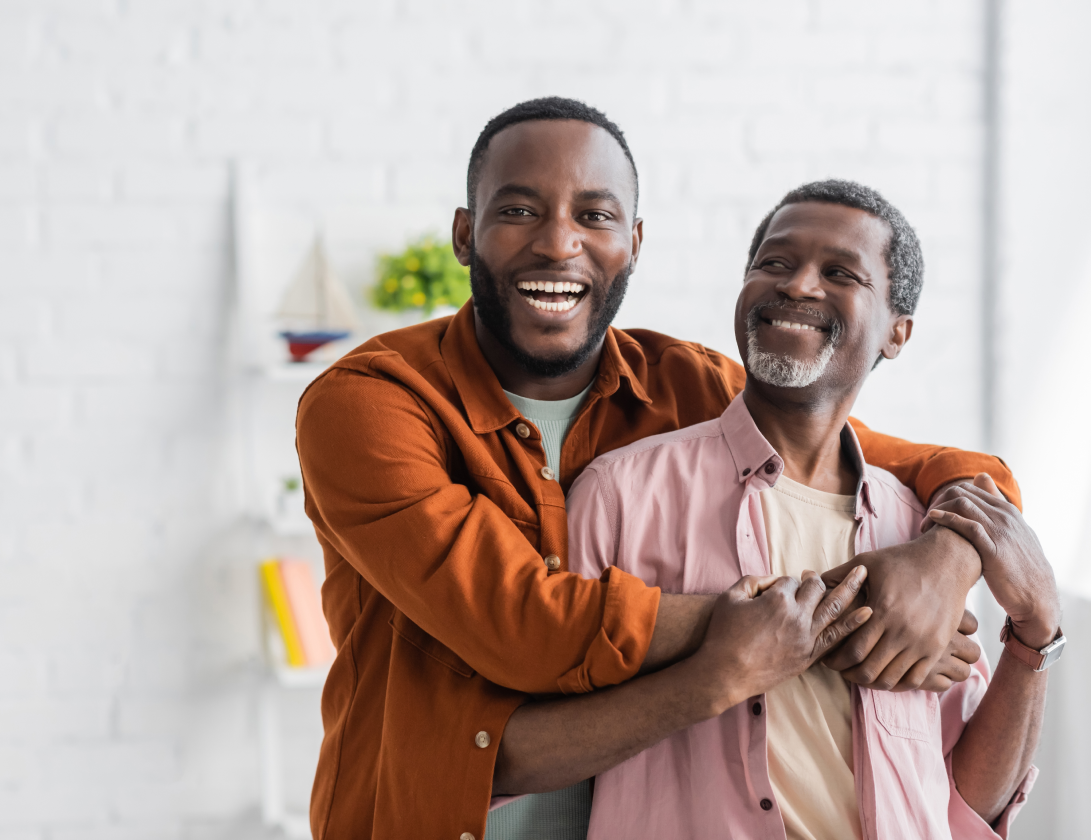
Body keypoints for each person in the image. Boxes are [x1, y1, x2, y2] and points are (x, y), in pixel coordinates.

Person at [295, 98, 1022, 839]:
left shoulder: (687, 386)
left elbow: (939, 466)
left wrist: (942, 561)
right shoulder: (370, 403)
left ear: (634, 243)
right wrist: (845, 614)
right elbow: (522, 626)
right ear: (464, 235)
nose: (558, 243)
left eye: (595, 216)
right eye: (518, 211)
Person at [502, 180, 1059, 837]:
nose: (796, 284)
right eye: (774, 262)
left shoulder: (919, 530)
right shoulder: (619, 494)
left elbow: (965, 798)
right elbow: (522, 749)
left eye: (840, 272)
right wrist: (714, 672)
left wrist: (1036, 633)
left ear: (897, 332)